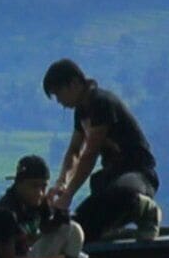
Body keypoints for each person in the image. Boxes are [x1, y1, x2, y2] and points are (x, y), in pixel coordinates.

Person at [41, 58, 161, 243]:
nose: (59, 101)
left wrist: (68, 196)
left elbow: (89, 154)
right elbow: (74, 151)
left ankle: (147, 210)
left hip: (139, 174)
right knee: (81, 228)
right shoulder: (81, 111)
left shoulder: (102, 103)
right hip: (110, 177)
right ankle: (108, 228)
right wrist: (61, 183)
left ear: (73, 83)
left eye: (59, 94)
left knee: (122, 193)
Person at [0, 153, 86, 258]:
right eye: (34, 186)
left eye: (43, 187)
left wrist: (58, 207)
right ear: (19, 183)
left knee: (73, 230)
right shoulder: (4, 212)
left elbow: (48, 229)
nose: (40, 193)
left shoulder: (35, 202)